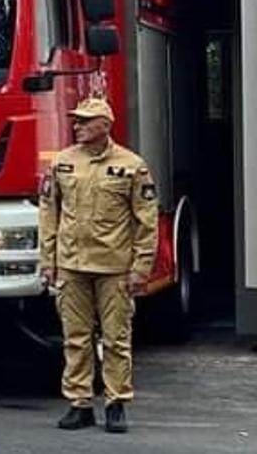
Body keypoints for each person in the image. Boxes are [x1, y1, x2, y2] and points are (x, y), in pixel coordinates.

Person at [40, 97, 159, 434]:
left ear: (105, 125)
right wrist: (48, 261)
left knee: (116, 338)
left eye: (85, 121)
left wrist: (141, 267)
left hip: (114, 267)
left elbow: (145, 219)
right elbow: (49, 214)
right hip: (72, 265)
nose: (77, 126)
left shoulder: (131, 165)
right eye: (76, 121)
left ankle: (116, 402)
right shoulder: (62, 163)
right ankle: (79, 403)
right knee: (75, 337)